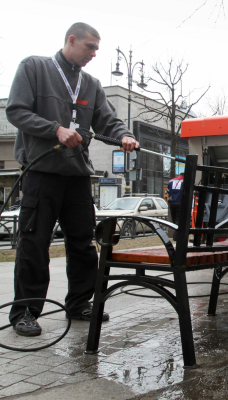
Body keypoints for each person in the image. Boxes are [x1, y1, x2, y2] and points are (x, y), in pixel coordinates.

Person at [5, 23, 138, 337]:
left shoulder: (90, 84)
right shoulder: (34, 67)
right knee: (34, 244)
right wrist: (56, 129)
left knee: (82, 243)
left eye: (97, 49)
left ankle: (79, 303)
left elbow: (107, 119)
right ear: (71, 39)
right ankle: (25, 311)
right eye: (90, 47)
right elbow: (16, 111)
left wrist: (125, 135)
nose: (94, 54)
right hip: (40, 174)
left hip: (77, 176)